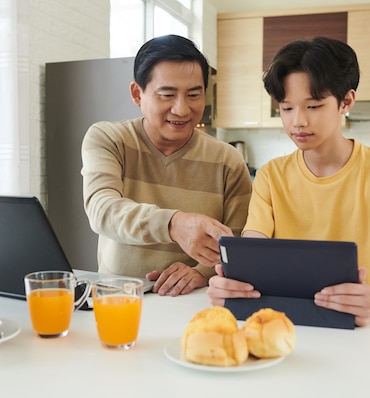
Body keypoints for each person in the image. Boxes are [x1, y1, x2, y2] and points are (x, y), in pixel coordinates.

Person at [207, 37, 370, 326]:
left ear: (346, 101)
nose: (297, 121)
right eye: (286, 108)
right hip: (289, 324)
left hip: (363, 330)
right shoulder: (270, 176)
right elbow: (253, 262)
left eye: (313, 106)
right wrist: (230, 285)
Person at [81, 34, 252, 297]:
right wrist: (173, 224)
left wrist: (201, 272)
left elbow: (239, 242)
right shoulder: (109, 139)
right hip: (115, 299)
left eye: (194, 94)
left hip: (191, 301)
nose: (182, 109)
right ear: (137, 94)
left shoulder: (228, 160)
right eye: (167, 94)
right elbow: (102, 209)